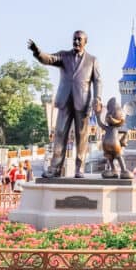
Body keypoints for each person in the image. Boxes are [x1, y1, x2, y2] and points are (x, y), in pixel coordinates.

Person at [29, 30, 102, 178]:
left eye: (79, 40)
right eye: (74, 39)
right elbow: (48, 59)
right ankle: (55, 168)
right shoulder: (64, 56)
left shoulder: (92, 60)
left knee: (81, 137)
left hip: (82, 102)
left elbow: (98, 81)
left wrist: (98, 98)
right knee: (60, 133)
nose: (76, 42)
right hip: (64, 101)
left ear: (85, 42)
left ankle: (79, 169)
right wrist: (37, 52)